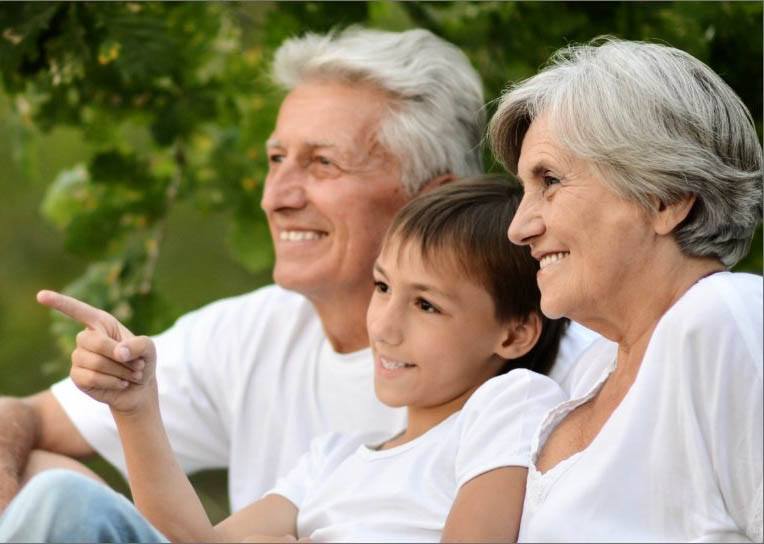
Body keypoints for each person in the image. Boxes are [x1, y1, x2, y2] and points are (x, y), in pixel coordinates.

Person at [0, 27, 599, 512]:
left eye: (322, 164)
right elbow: (21, 416)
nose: (276, 196)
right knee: (41, 477)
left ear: (431, 196)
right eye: (277, 159)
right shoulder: (253, 341)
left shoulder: (560, 368)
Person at [1, 178, 567, 542]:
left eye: (425, 304)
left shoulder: (509, 404)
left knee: (59, 499)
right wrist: (135, 408)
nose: (385, 326)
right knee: (59, 493)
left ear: (515, 334)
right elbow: (195, 541)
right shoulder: (333, 459)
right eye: (382, 287)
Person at [481, 37, 762, 541]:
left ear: (665, 198)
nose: (519, 227)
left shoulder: (725, 318)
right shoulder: (590, 370)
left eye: (550, 179)